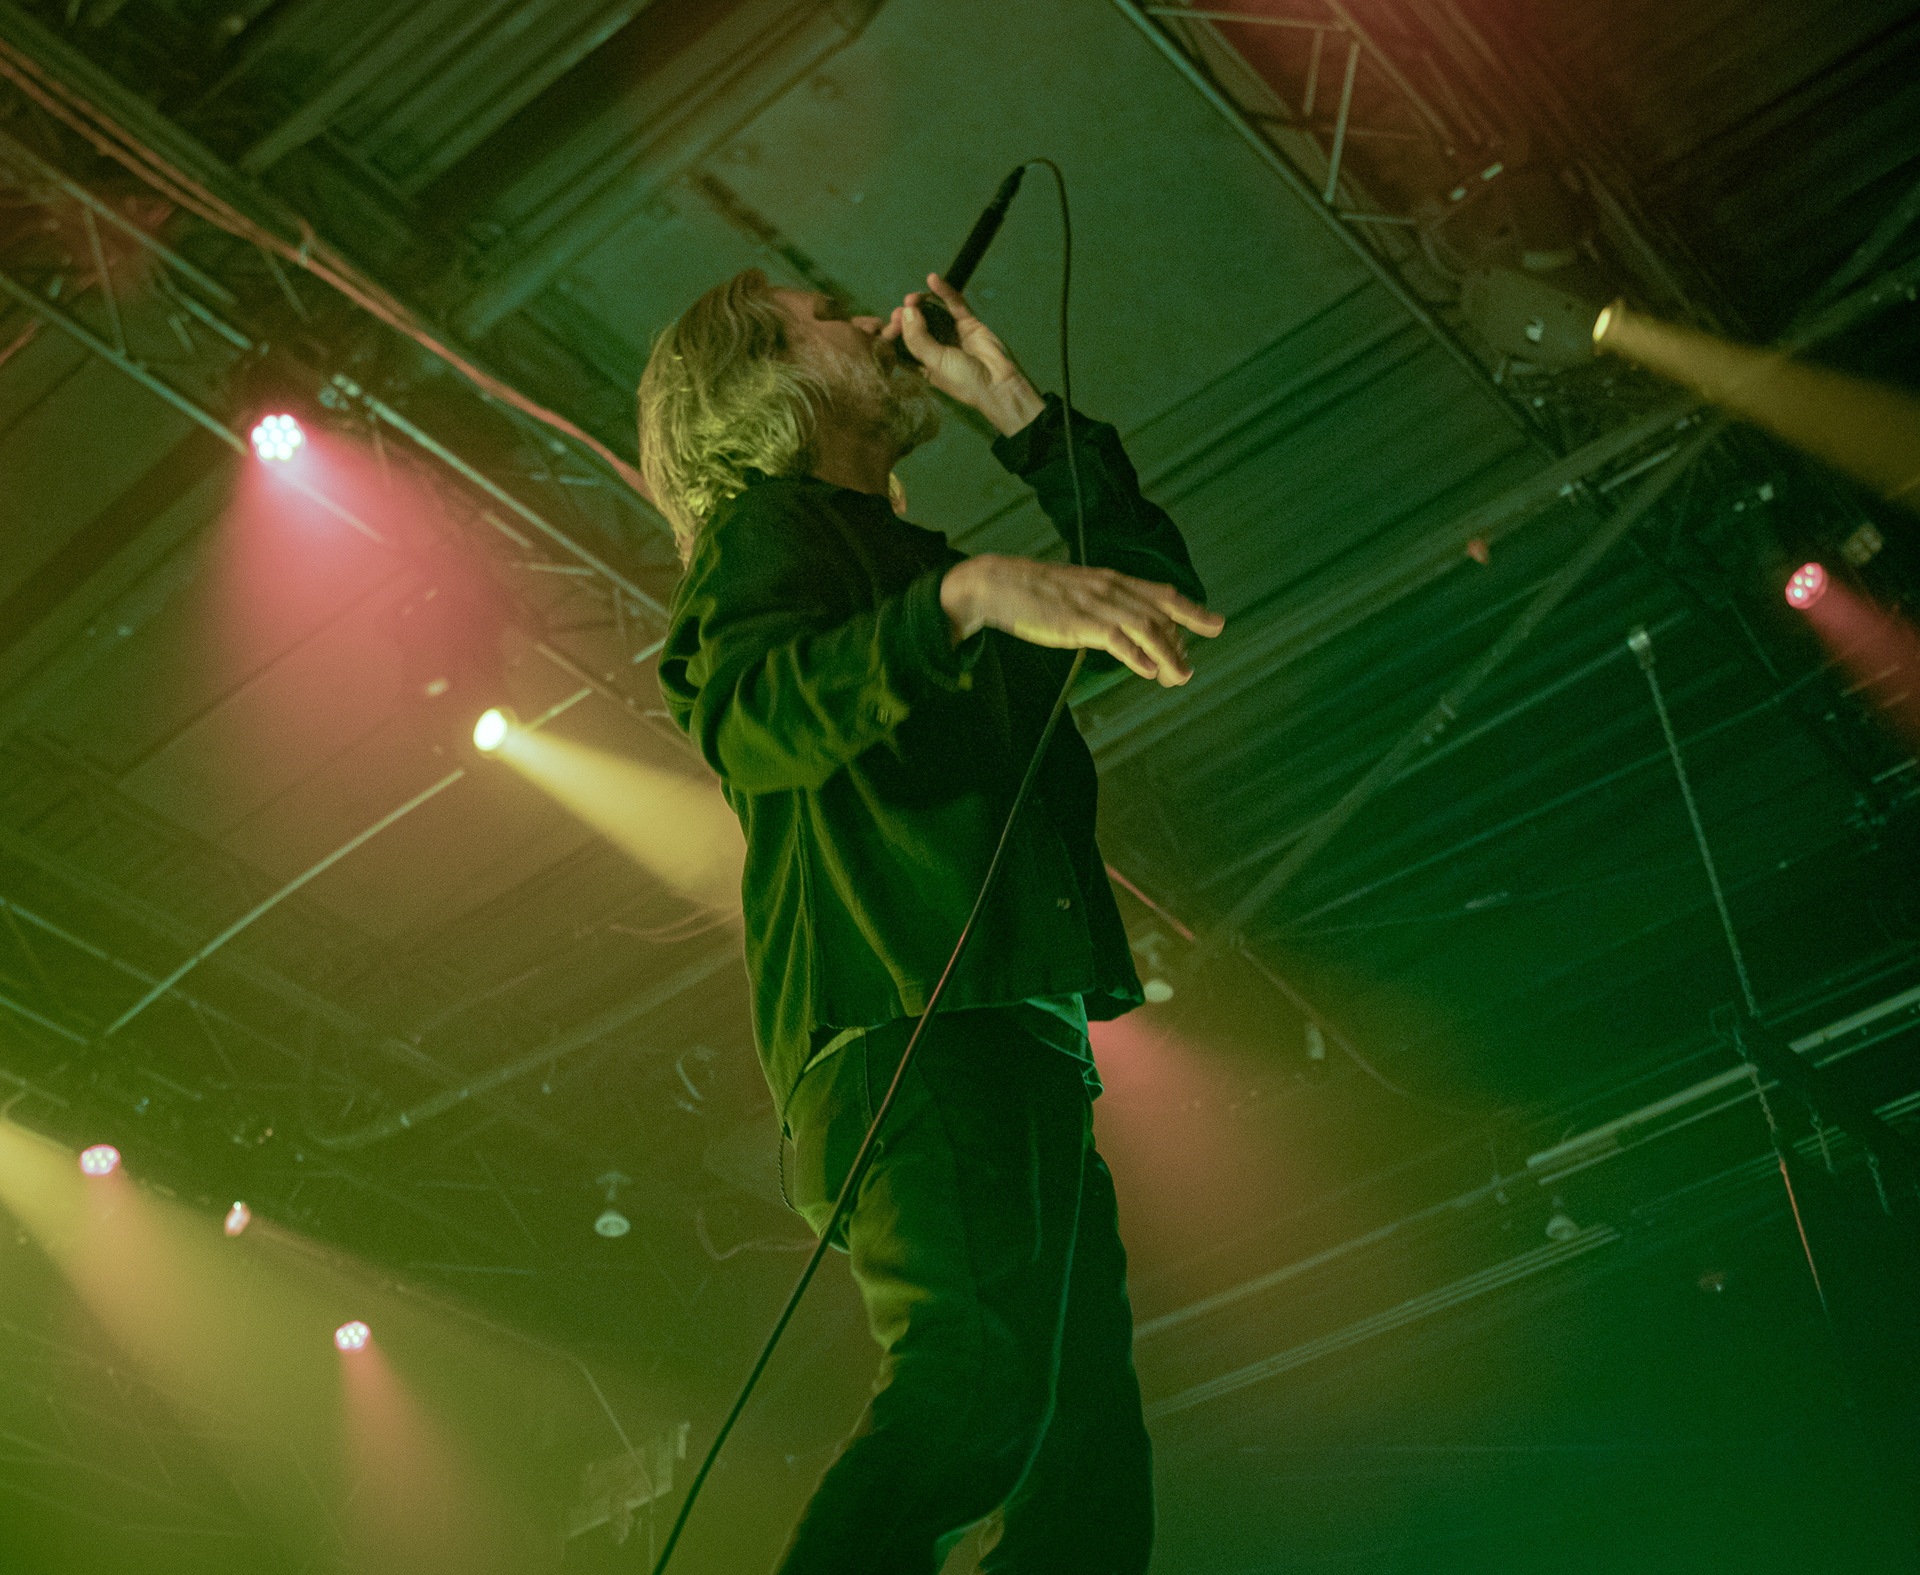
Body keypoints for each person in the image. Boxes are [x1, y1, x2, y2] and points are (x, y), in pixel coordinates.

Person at [646, 267, 1222, 1575]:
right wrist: (966, 603)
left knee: (1086, 1485)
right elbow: (751, 717)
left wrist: (1013, 406)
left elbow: (1151, 592)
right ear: (761, 381)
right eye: (823, 316)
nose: (868, 321)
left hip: (1013, 1041)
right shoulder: (766, 534)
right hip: (905, 1031)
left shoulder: (931, 572)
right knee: (972, 1400)